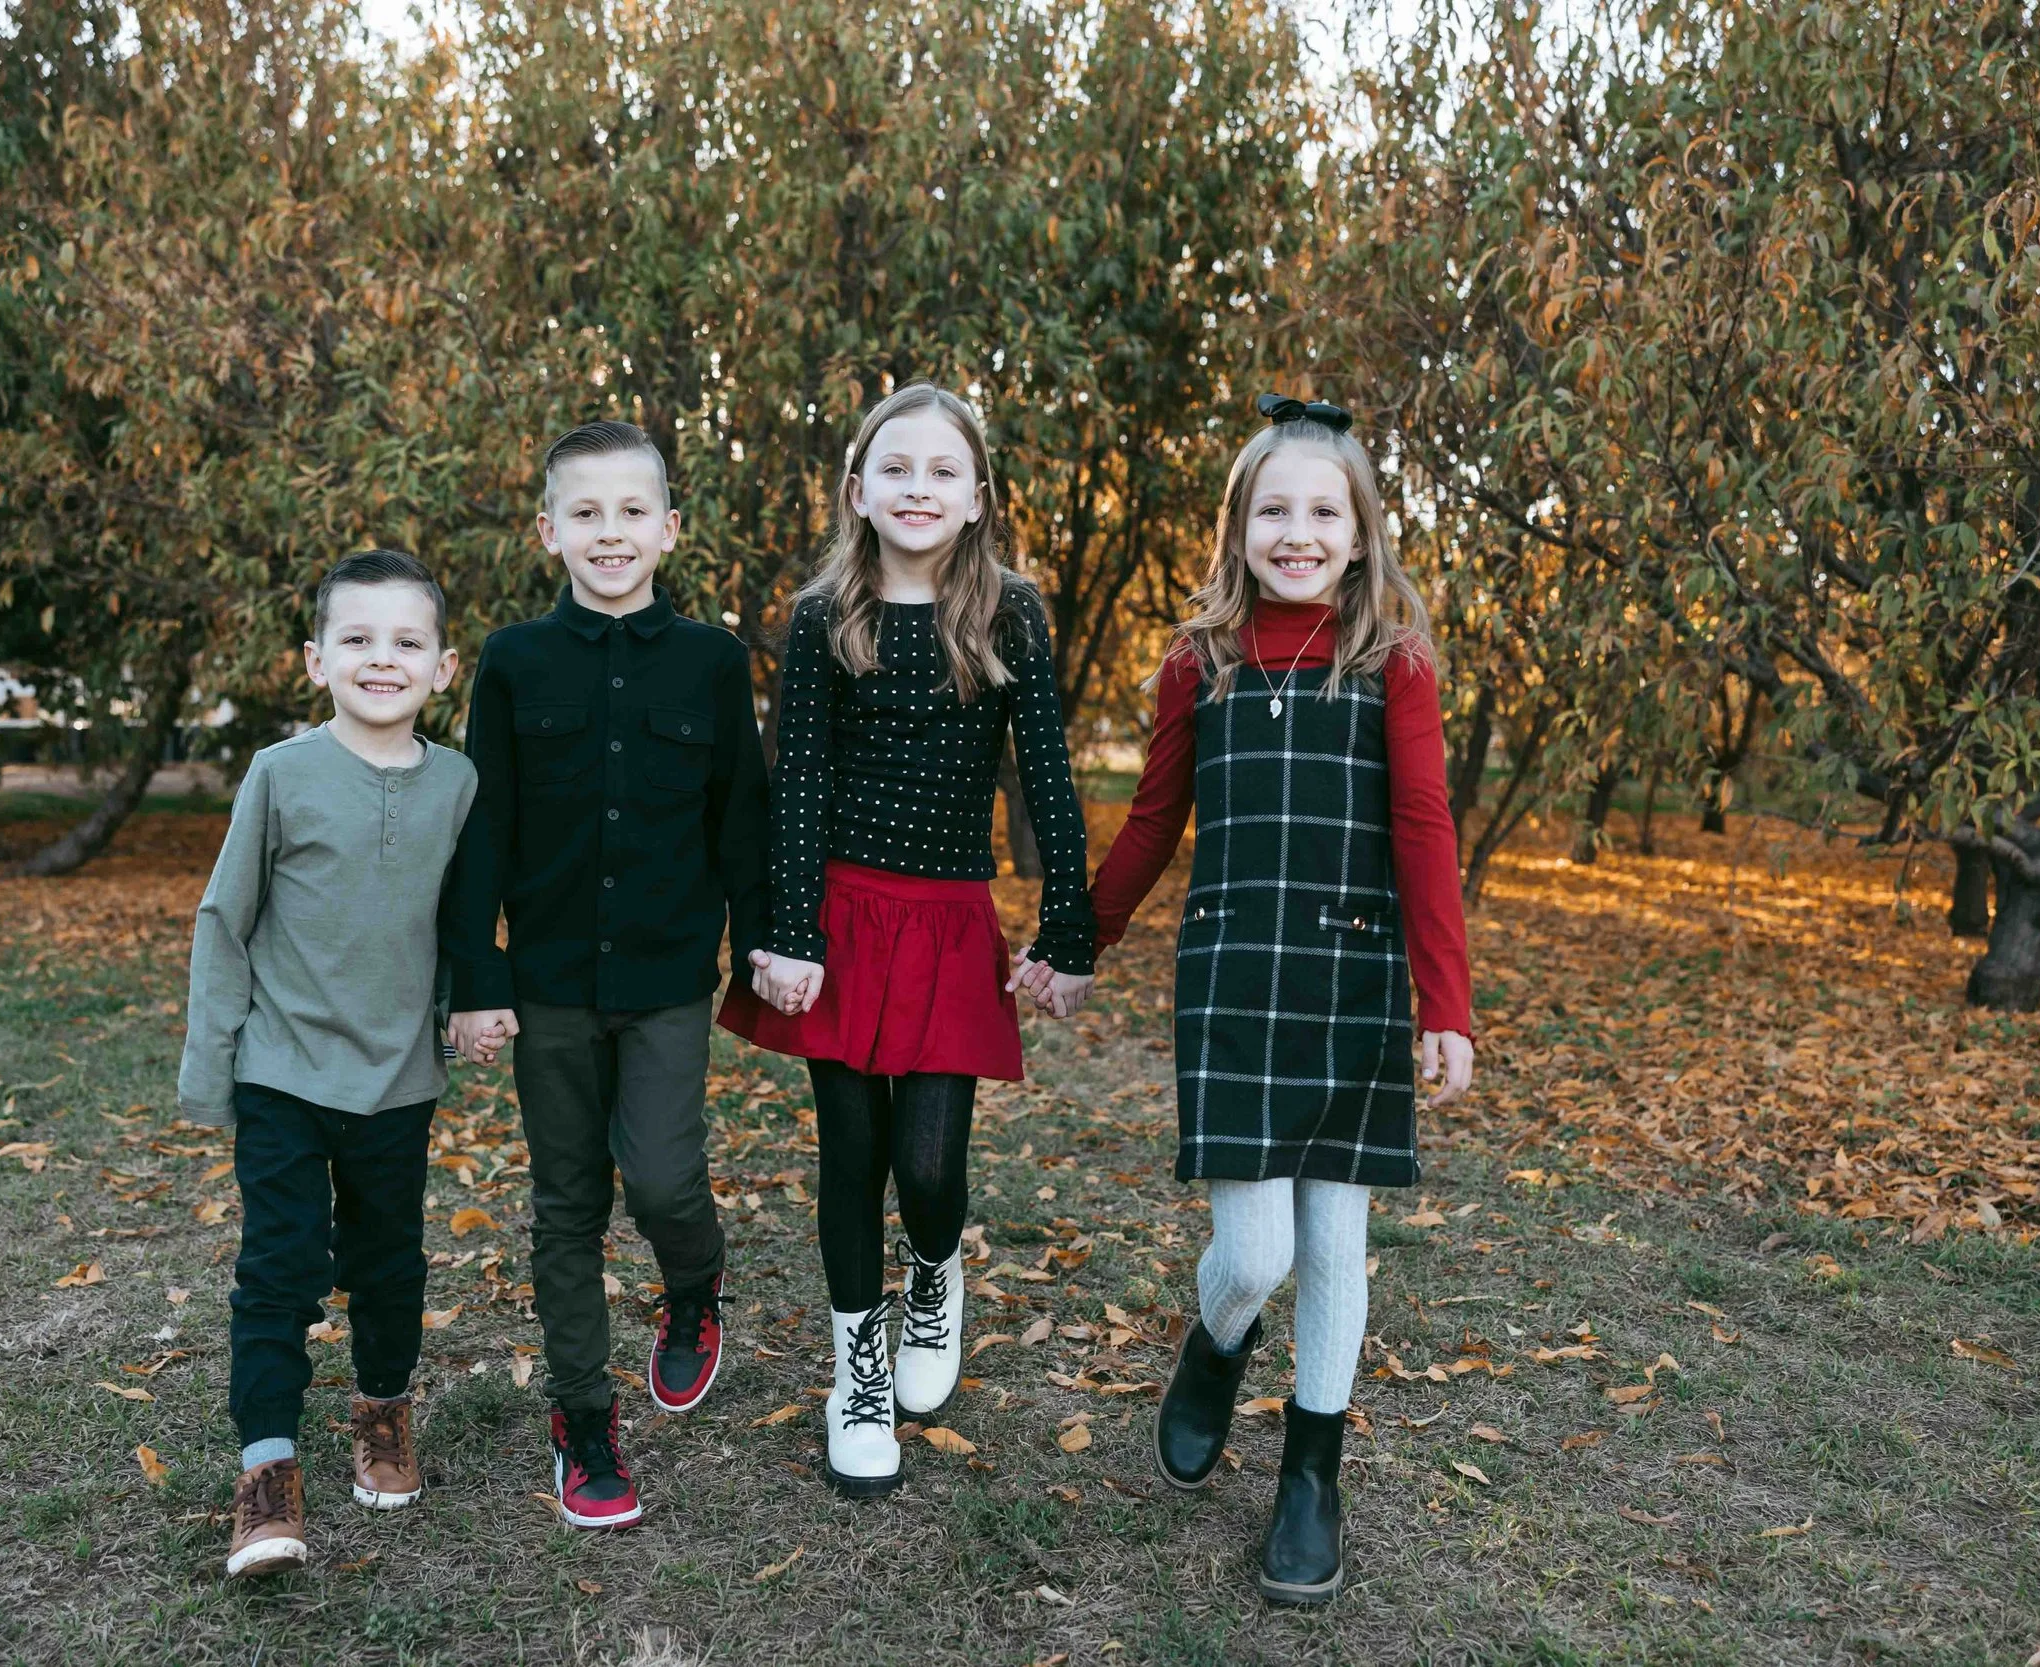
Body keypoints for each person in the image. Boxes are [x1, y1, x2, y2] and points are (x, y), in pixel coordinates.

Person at [1089, 396, 1474, 1604]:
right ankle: (1215, 1343)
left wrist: (1444, 1003)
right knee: (1253, 1253)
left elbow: (1422, 827)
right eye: (1274, 508)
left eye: (1324, 510)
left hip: (1353, 979)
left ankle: (1311, 1473)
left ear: (1361, 534)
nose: (1297, 531)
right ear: (1238, 526)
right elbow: (1156, 818)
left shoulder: (1392, 663)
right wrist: (1077, 936)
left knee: (1335, 1243)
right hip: (1236, 978)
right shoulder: (1194, 660)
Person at [718, 382, 1095, 1497]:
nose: (917, 488)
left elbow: (1050, 779)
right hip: (839, 915)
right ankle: (857, 1368)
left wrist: (1066, 928)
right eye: (896, 469)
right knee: (852, 1156)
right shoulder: (824, 613)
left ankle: (934, 1273)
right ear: (857, 490)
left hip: (945, 919)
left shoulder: (1008, 611)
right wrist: (789, 932)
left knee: (927, 1165)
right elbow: (798, 786)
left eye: (941, 471)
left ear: (978, 496)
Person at [441, 420, 770, 1530]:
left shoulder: (714, 664)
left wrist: (770, 939)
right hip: (544, 984)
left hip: (670, 976)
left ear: (669, 530)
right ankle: (584, 1419)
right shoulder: (513, 661)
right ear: (548, 531)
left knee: (667, 1179)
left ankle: (695, 1288)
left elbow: (743, 826)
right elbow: (481, 826)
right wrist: (475, 973)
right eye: (585, 512)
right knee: (567, 1202)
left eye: (633, 511)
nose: (610, 532)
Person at [177, 548, 477, 1580]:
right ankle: (265, 1474)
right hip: (283, 1072)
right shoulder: (281, 772)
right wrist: (211, 1064)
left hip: (398, 1078)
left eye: (407, 640)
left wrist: (469, 1008)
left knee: (389, 1261)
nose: (380, 657)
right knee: (280, 1266)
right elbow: (227, 918)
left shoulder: (458, 784)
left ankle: (382, 1413)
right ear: (317, 658)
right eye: (356, 637)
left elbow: (460, 921)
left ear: (444, 667)